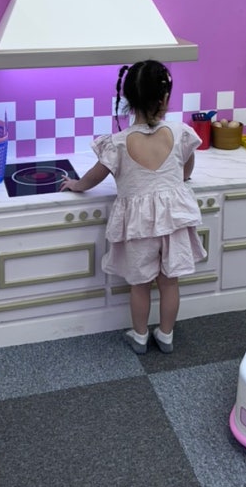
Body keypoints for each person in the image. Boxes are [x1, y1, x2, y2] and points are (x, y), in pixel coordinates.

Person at [60, 60, 205, 354]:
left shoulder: (118, 143)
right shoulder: (180, 132)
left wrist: (76, 185)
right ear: (165, 98)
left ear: (127, 99)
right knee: (170, 283)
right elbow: (186, 170)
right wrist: (175, 180)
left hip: (139, 226)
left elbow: (93, 177)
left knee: (140, 284)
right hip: (174, 220)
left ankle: (140, 336)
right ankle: (166, 335)